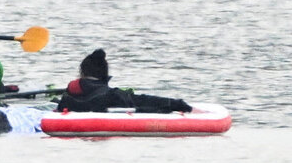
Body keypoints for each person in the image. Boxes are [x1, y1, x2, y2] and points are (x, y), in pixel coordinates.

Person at [59, 48, 192, 114]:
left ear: (82, 73)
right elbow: (143, 99)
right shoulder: (112, 94)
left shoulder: (69, 94)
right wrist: (176, 104)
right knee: (141, 102)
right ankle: (175, 105)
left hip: (87, 109)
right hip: (110, 106)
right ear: (104, 74)